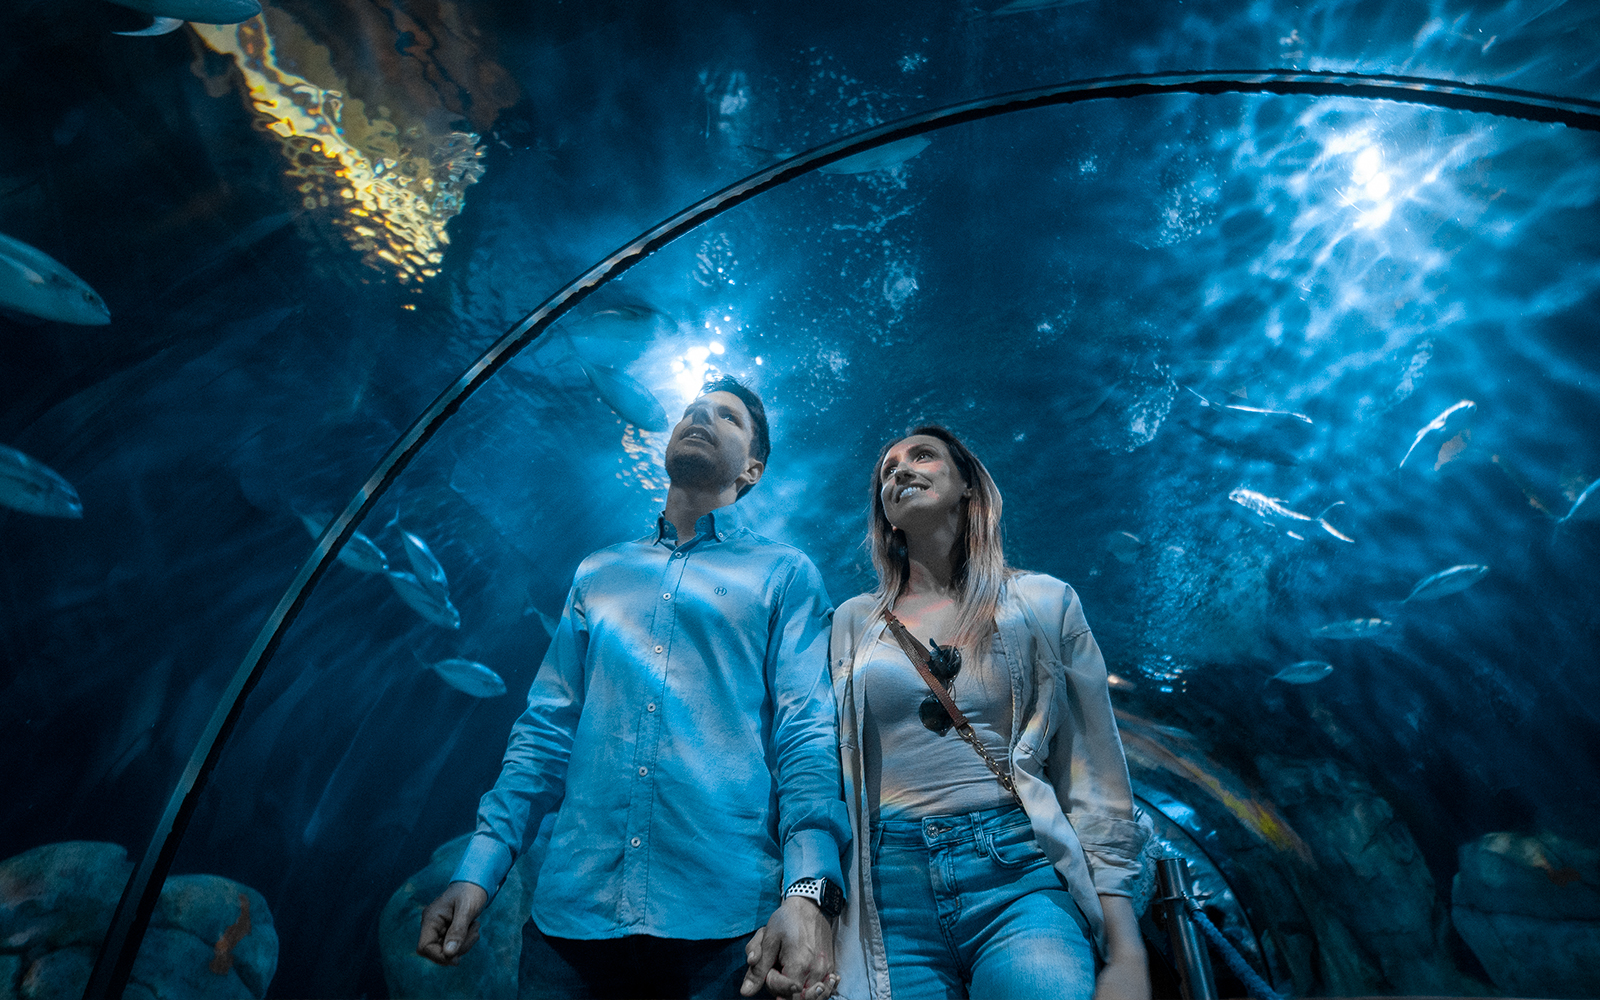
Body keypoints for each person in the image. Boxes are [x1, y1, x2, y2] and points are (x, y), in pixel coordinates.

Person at [417, 376, 851, 1000]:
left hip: (726, 927)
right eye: (693, 410)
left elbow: (806, 734)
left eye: (726, 416)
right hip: (570, 927)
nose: (701, 414)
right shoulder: (597, 573)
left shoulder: (785, 573)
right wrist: (478, 872)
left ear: (752, 470)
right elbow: (545, 733)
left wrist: (808, 892)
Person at [824, 425, 1151, 1000]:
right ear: (886, 516)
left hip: (1015, 870)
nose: (899, 470)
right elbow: (821, 766)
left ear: (968, 486)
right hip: (888, 886)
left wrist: (1127, 950)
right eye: (886, 471)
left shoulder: (1046, 603)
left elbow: (1093, 774)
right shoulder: (852, 622)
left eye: (921, 456)